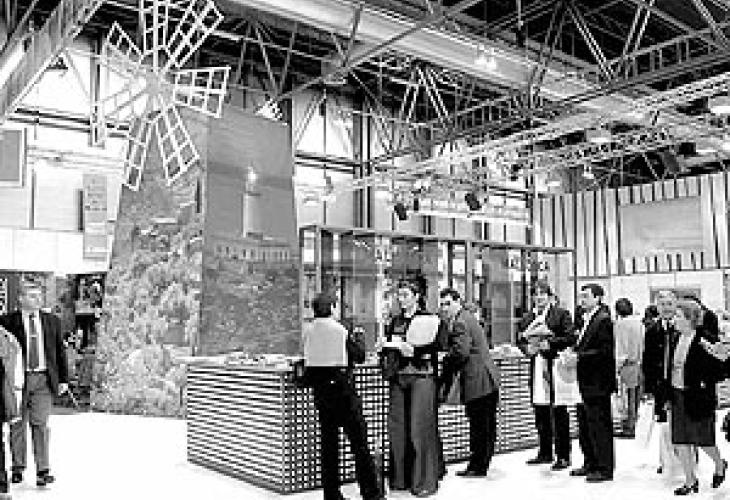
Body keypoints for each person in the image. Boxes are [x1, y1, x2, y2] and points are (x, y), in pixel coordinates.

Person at [302, 293, 384, 500]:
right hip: (342, 391)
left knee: (329, 445)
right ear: (332, 307)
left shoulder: (309, 331)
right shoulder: (340, 331)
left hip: (321, 393)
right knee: (359, 443)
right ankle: (371, 493)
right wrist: (360, 338)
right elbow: (359, 356)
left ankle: (331, 493)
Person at [0, 279, 68, 488]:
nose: (38, 300)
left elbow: (59, 351)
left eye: (39, 295)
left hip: (43, 379)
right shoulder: (7, 322)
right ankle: (18, 467)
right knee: (17, 423)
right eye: (32, 296)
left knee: (41, 424)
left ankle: (43, 470)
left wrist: (63, 379)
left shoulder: (52, 321)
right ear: (21, 299)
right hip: (16, 380)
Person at [379, 279, 440, 497]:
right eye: (399, 295)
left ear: (416, 296)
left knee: (419, 429)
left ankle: (424, 481)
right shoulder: (395, 320)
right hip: (398, 377)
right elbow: (390, 344)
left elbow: (439, 347)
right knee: (397, 429)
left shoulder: (429, 319)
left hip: (421, 376)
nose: (401, 299)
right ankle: (400, 478)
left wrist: (415, 351)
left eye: (405, 295)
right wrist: (384, 348)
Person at [666, 299, 727, 495]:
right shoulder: (674, 338)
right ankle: (690, 480)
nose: (674, 319)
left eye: (678, 316)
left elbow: (720, 372)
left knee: (703, 440)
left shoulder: (705, 339)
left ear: (689, 319)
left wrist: (719, 358)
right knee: (681, 440)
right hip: (678, 394)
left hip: (699, 398)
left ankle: (720, 464)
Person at [438, 288, 500, 478]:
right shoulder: (468, 317)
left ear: (458, 301)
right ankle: (482, 463)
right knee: (486, 425)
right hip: (487, 378)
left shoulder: (460, 322)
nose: (444, 308)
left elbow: (461, 352)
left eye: (448, 303)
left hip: (477, 380)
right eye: (442, 304)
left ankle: (477, 466)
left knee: (479, 425)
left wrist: (445, 359)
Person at [516, 281, 576, 471]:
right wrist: (527, 349)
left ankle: (563, 455)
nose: (539, 297)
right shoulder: (528, 317)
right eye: (536, 294)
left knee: (558, 413)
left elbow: (570, 337)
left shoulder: (561, 314)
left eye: (542, 294)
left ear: (550, 297)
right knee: (540, 411)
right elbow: (520, 339)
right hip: (536, 366)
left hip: (554, 366)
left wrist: (550, 343)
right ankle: (545, 451)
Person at [568, 283, 615, 483]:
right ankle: (590, 462)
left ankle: (604, 467)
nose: (582, 300)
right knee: (586, 425)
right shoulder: (584, 319)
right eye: (581, 297)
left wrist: (580, 357)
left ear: (598, 298)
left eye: (586, 296)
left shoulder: (603, 320)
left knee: (599, 425)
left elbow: (605, 352)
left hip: (598, 382)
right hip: (586, 381)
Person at [614, 298, 644, 438]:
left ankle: (628, 427)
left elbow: (620, 346)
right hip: (638, 363)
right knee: (635, 397)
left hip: (625, 364)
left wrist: (617, 366)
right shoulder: (639, 323)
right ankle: (634, 425)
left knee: (626, 397)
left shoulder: (620, 324)